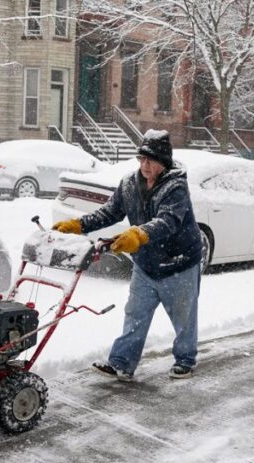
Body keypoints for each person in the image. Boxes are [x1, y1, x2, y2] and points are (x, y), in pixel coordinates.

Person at [53, 130, 203, 381]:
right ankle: (122, 362)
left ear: (163, 162)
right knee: (135, 313)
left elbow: (167, 221)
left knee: (184, 316)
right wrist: (78, 224)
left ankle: (185, 359)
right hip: (146, 264)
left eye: (150, 160)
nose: (144, 165)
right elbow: (109, 212)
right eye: (141, 159)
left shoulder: (176, 187)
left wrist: (139, 234)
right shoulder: (130, 184)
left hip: (179, 262)